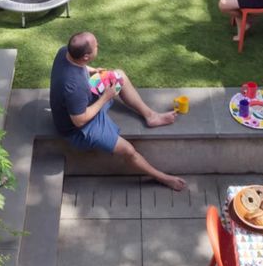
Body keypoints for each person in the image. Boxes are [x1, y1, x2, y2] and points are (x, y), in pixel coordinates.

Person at [49, 32, 186, 191]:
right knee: (128, 150)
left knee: (118, 76)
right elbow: (79, 120)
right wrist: (105, 98)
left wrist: (93, 71)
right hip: (79, 129)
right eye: (96, 46)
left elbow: (81, 68)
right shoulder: (74, 86)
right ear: (86, 56)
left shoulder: (64, 52)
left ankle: (151, 116)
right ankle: (163, 178)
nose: (98, 46)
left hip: (83, 101)